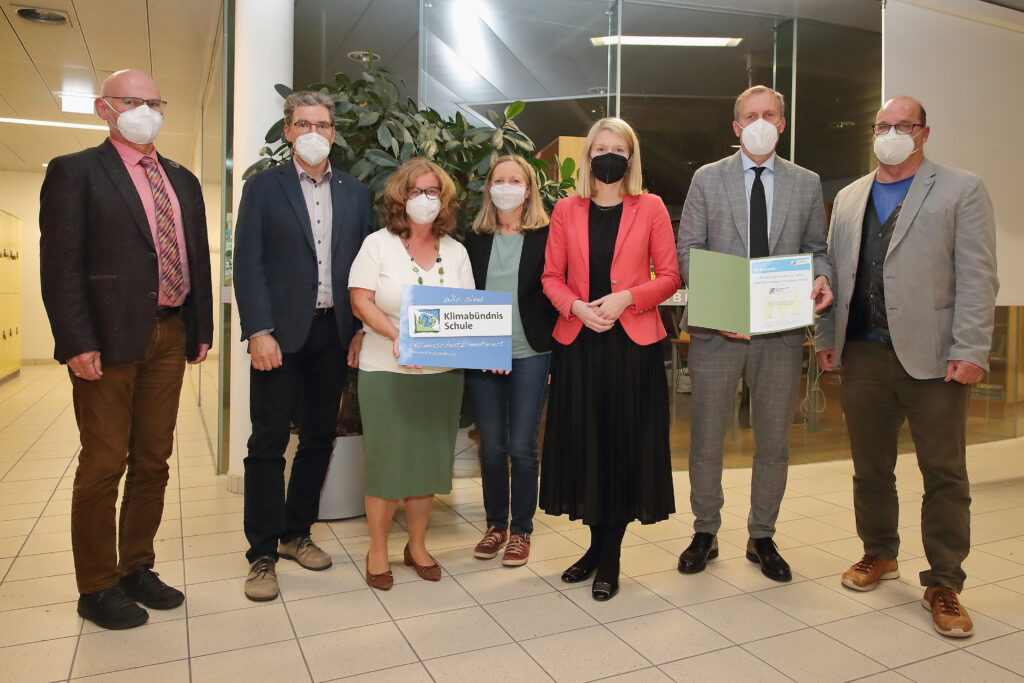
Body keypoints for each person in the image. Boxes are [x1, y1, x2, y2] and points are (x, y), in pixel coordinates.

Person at [816, 96, 998, 638]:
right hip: (863, 353)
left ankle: (944, 582)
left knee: (944, 473)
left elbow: (978, 276)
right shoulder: (851, 197)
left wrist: (971, 349)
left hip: (935, 357)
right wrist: (827, 338)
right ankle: (879, 552)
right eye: (882, 125)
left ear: (923, 133)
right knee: (870, 467)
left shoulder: (961, 188)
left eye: (903, 125)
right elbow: (834, 275)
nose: (890, 133)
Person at [39, 69, 213, 630]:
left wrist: (201, 326)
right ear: (104, 109)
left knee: (154, 459)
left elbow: (196, 256)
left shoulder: (182, 179)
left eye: (155, 102)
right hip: (106, 339)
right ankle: (96, 585)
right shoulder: (76, 172)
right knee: (104, 462)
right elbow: (60, 264)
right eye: (132, 101)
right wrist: (75, 339)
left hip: (170, 332)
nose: (146, 111)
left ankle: (136, 565)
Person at [676, 85, 834, 582]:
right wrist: (719, 306)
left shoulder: (806, 183)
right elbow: (688, 249)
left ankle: (762, 535)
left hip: (779, 335)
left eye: (769, 114)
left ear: (781, 124)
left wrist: (821, 276)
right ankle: (705, 530)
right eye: (750, 116)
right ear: (736, 126)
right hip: (717, 332)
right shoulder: (707, 178)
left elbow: (817, 249)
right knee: (706, 439)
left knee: (773, 441)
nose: (760, 122)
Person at [233, 91, 373, 601]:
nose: (314, 132)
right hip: (278, 335)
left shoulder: (355, 192)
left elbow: (363, 268)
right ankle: (261, 553)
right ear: (289, 131)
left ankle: (296, 533)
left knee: (319, 437)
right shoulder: (262, 187)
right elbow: (247, 262)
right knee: (267, 442)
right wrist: (258, 331)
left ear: (334, 132)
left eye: (322, 124)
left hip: (332, 334)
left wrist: (360, 328)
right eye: (303, 124)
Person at [541, 117, 681, 601]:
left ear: (630, 157)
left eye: (618, 149)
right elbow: (550, 277)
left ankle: (611, 557)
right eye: (600, 148)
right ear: (588, 157)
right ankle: (595, 547)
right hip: (579, 343)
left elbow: (670, 276)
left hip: (631, 346)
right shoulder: (566, 209)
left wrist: (627, 299)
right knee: (587, 447)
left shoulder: (651, 207)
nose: (608, 156)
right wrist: (576, 307)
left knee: (622, 447)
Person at [349, 158, 474, 590]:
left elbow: (467, 312)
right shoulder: (377, 245)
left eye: (433, 191)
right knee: (386, 464)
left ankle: (417, 546)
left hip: (441, 376)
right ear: (400, 197)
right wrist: (396, 335)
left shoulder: (456, 251)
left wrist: (484, 346)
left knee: (427, 464)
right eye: (416, 191)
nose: (425, 199)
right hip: (386, 369)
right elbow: (361, 300)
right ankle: (377, 550)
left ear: (444, 199)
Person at [464, 155, 557, 567]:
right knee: (491, 446)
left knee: (521, 445)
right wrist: (486, 346)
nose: (506, 186)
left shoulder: (547, 237)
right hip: (483, 352)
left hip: (531, 352)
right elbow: (464, 297)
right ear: (489, 188)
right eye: (498, 180)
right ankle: (495, 525)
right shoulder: (474, 239)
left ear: (529, 188)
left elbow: (556, 296)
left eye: (515, 180)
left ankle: (521, 530)